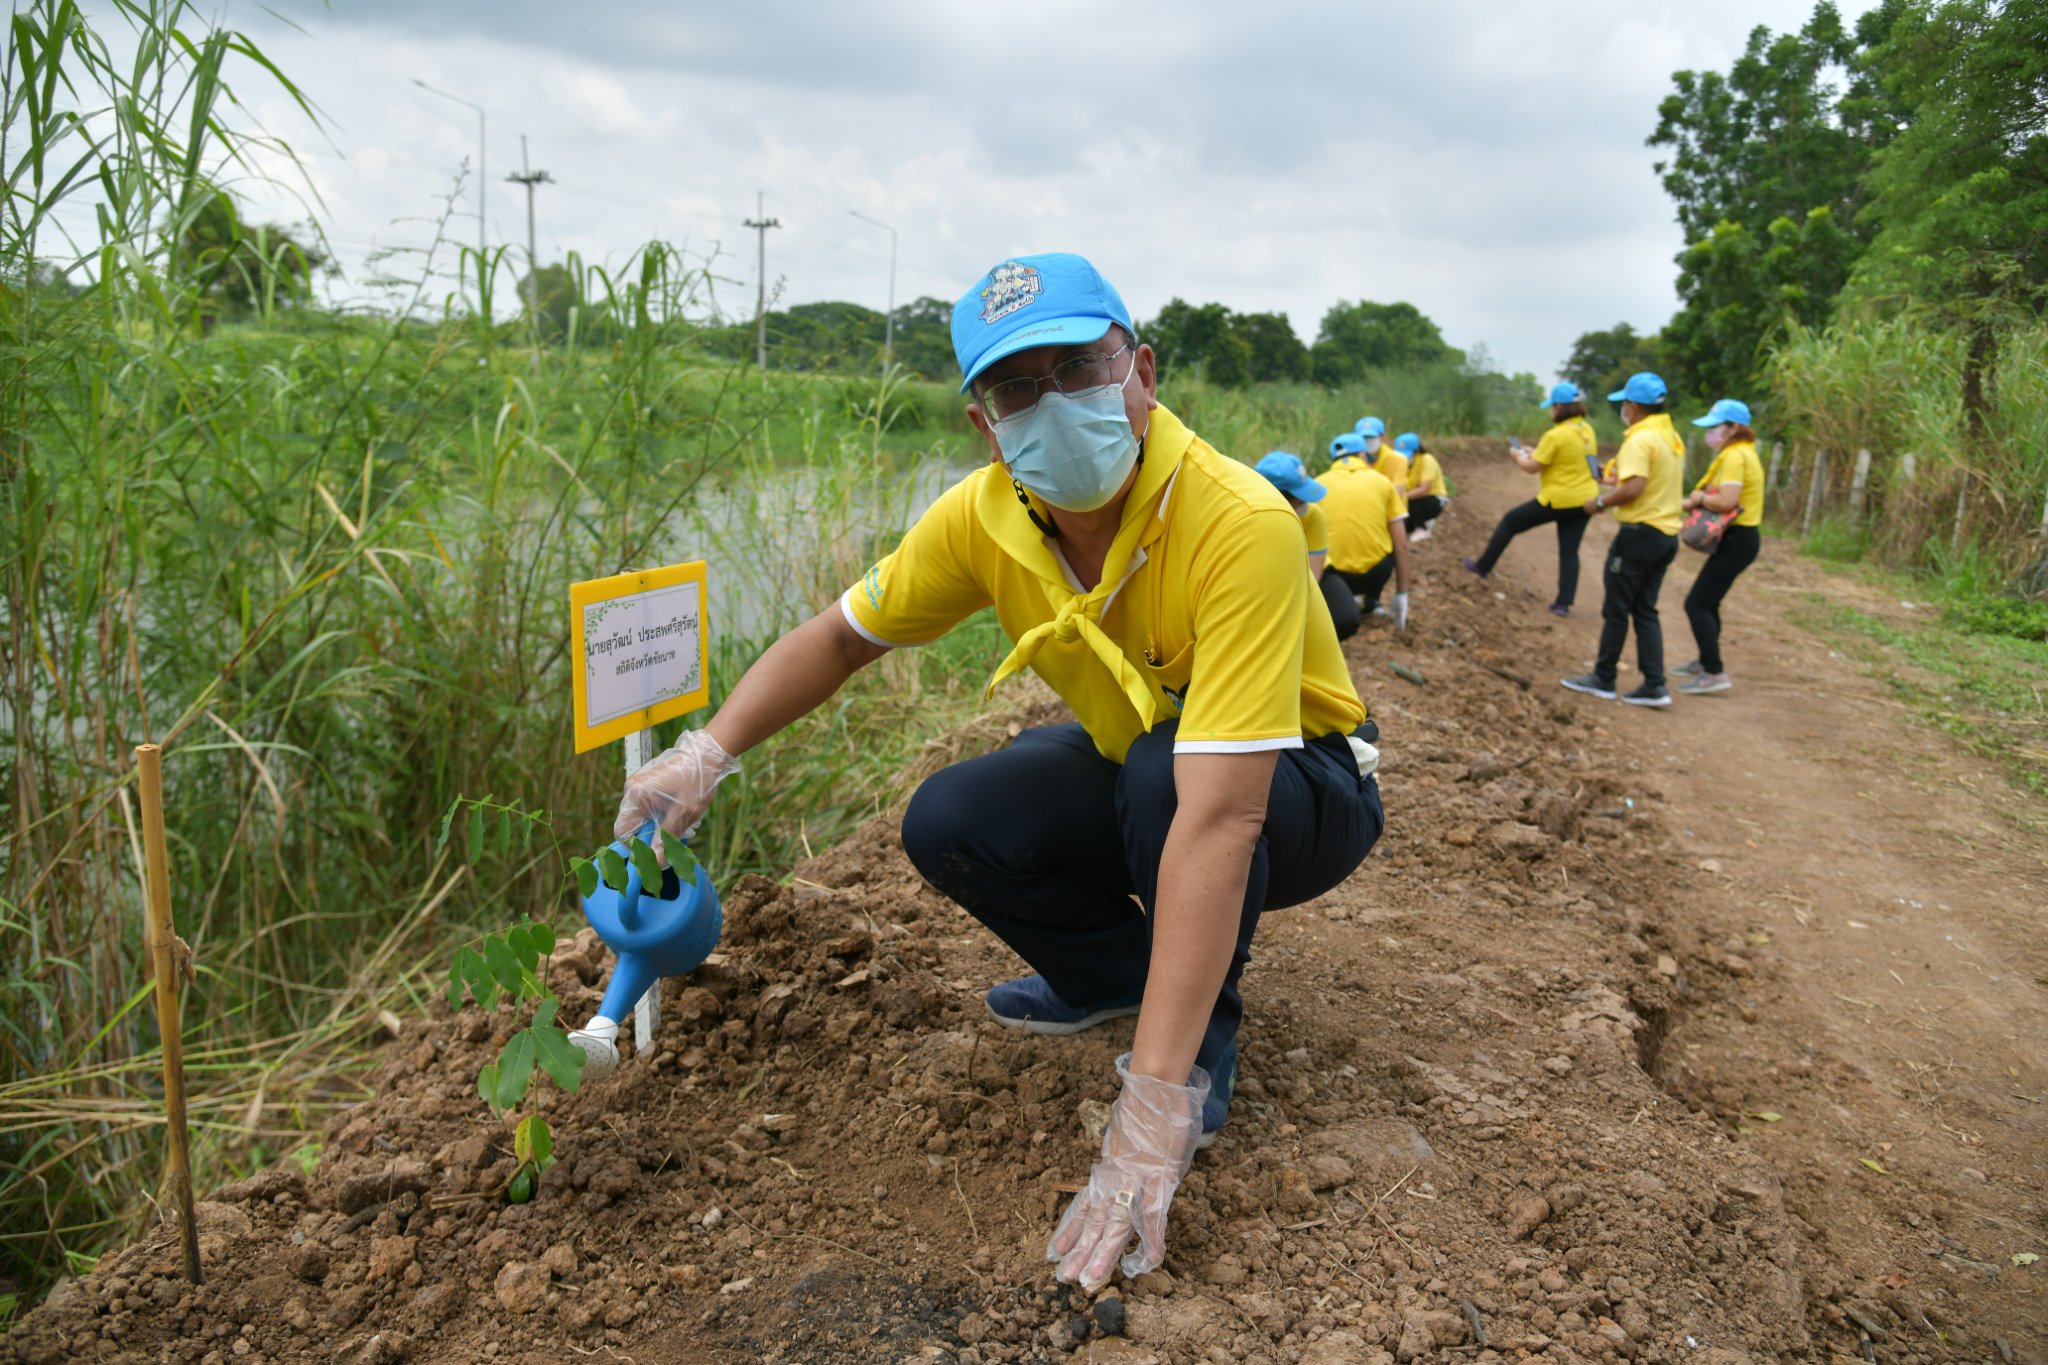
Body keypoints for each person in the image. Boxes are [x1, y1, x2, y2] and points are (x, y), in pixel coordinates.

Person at [612, 253, 1384, 1295]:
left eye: (1079, 366)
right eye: (1017, 386)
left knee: (1168, 779)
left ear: (1140, 371)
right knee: (955, 815)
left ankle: (1192, 1048)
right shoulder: (983, 517)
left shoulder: (1235, 519)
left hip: (1299, 784)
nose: (1053, 402)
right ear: (984, 422)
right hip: (1144, 753)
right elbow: (840, 639)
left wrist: (1144, 1113)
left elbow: (1218, 815)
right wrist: (709, 751)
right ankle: (1118, 981)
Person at [1560, 372, 1684, 706]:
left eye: (1625, 404)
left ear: (1633, 406)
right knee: (1645, 609)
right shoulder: (1669, 437)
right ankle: (1654, 684)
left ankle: (1603, 677)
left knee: (1616, 607)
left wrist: (1599, 502)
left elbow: (1634, 488)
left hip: (1639, 535)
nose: (1624, 410)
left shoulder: (1639, 441)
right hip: (1665, 535)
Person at [1463, 382, 1598, 616]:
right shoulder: (1586, 430)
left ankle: (1483, 567)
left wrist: (1518, 455)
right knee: (1569, 551)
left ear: (1558, 407)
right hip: (1584, 500)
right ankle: (1563, 604)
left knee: (1510, 522)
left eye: (1552, 407)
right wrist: (1534, 450)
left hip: (1557, 499)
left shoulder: (1555, 434)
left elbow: (1532, 467)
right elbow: (1567, 458)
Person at [1674, 398, 1766, 695]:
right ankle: (1705, 661)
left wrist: (1699, 499)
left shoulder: (1735, 457)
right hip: (1740, 538)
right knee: (1708, 602)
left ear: (1733, 428)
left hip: (1738, 539)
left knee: (1696, 603)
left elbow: (1727, 501)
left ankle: (1714, 671)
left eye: (1715, 427)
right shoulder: (1742, 453)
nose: (1710, 433)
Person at [1255, 450, 1357, 640]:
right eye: (1299, 496)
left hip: (1306, 576)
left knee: (1344, 618)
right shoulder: (1249, 519)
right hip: (1266, 582)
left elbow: (1314, 574)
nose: (1305, 502)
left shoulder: (1312, 515)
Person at [1317, 432, 1412, 628]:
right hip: (1376, 574)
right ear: (1362, 456)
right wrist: (1402, 592)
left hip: (1335, 576)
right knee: (1388, 544)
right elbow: (1401, 544)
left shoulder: (1317, 484)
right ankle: (1371, 598)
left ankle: (1343, 599)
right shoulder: (1382, 482)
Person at [1397, 433, 1446, 542]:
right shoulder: (1405, 464)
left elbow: (1424, 490)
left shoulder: (1426, 460)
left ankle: (1422, 528)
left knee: (1411, 499)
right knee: (1404, 527)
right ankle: (1419, 523)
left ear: (1416, 451)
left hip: (1434, 499)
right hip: (1415, 501)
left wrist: (1399, 497)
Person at [1351, 415, 1410, 490]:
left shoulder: (1399, 459)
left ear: (1383, 437)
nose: (1367, 441)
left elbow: (1397, 492)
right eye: (1363, 438)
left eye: (1371, 437)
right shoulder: (1352, 461)